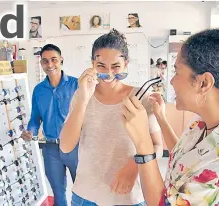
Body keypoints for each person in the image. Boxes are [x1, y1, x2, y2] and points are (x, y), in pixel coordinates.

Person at [121, 29, 219, 205]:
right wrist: (161, 118)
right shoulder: (205, 123)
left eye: (177, 72)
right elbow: (186, 160)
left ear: (204, 83)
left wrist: (143, 143)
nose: (171, 81)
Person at [60, 29, 163, 205]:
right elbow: (66, 146)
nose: (109, 74)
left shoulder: (141, 97)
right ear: (92, 64)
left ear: (126, 63)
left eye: (116, 66)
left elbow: (158, 146)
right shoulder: (82, 95)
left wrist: (134, 167)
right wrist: (84, 98)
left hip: (128, 196)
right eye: (101, 66)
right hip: (85, 195)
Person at [22, 44, 79, 206]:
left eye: (54, 60)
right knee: (58, 194)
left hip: (76, 147)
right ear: (41, 64)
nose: (50, 65)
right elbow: (35, 118)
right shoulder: (39, 90)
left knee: (83, 192)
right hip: (51, 149)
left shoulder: (76, 85)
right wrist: (30, 131)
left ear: (61, 60)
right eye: (45, 61)